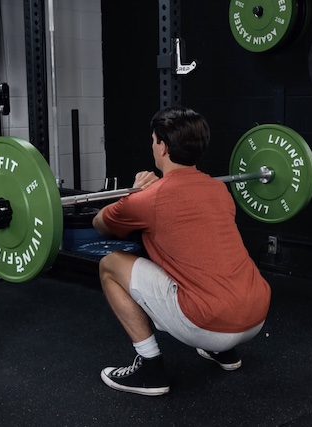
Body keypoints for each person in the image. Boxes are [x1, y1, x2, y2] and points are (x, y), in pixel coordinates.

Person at [92, 107, 271, 396]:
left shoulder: (148, 198)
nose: (153, 145)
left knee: (110, 265)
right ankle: (225, 353)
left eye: (153, 140)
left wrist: (133, 192)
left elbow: (99, 224)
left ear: (162, 146)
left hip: (210, 322)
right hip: (256, 315)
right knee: (206, 258)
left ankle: (150, 369)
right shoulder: (218, 190)